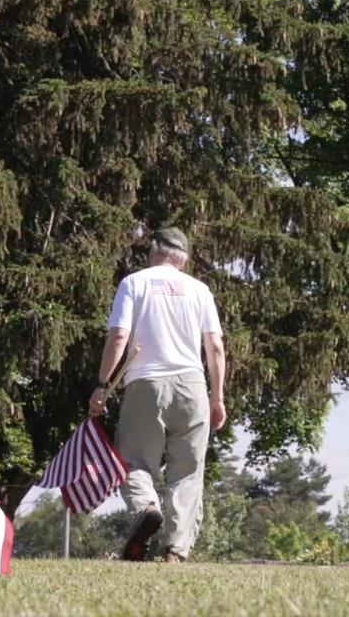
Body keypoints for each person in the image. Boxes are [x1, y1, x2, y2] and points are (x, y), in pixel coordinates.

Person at [89, 226, 227, 563]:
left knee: (133, 460)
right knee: (187, 471)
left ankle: (146, 507)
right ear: (183, 257)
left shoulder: (134, 283)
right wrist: (217, 397)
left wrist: (102, 384)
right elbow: (216, 348)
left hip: (145, 383)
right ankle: (176, 550)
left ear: (154, 251)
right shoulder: (200, 290)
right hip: (193, 385)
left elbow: (119, 335)